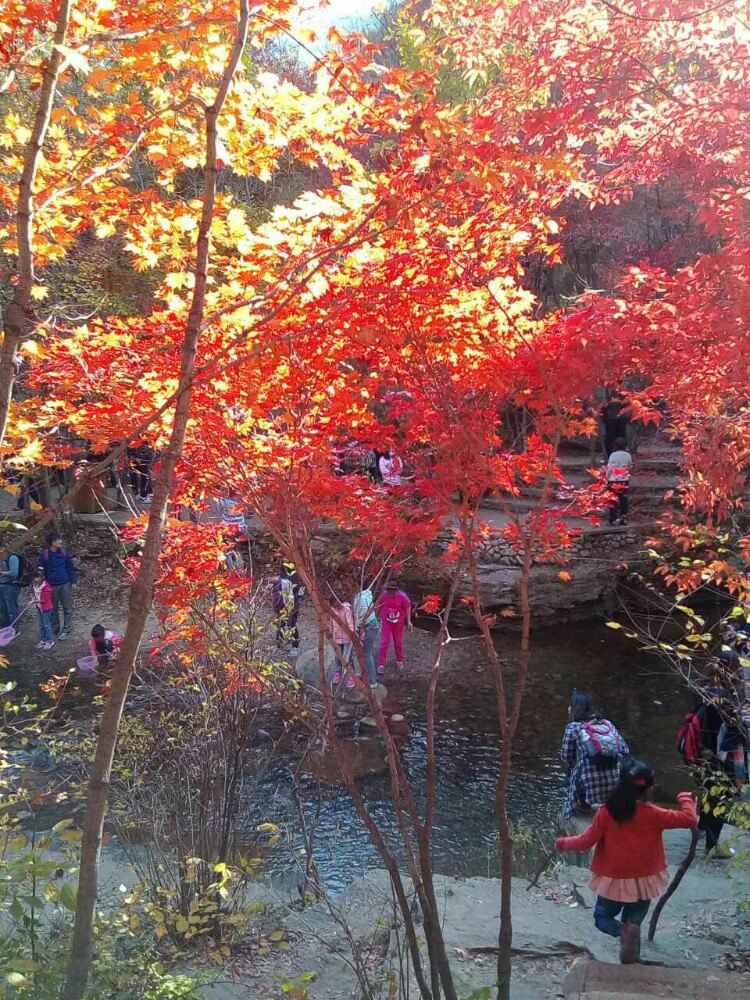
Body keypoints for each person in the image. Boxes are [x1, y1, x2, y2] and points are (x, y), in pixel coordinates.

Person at [556, 761, 697, 964]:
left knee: (602, 918)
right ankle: (632, 955)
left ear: (620, 784)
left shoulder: (607, 812)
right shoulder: (655, 814)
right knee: (634, 922)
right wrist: (685, 799)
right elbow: (689, 819)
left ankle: (622, 932)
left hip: (614, 879)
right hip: (644, 879)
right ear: (648, 788)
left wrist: (561, 843)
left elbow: (585, 841)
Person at [561, 691, 629, 821]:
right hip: (615, 783)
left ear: (576, 709)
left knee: (570, 771)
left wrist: (579, 760)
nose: (568, 708)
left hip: (588, 784)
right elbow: (625, 750)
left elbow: (565, 756)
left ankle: (583, 805)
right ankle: (608, 802)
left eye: (571, 706)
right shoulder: (607, 724)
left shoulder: (573, 727)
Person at [38, 535, 77, 639]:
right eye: (58, 540)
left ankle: (66, 629)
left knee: (67, 607)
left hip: (65, 584)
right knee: (53, 609)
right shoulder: (44, 555)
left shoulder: (64, 553)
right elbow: (40, 571)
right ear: (53, 543)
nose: (61, 541)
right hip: (51, 585)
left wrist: (73, 581)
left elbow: (70, 567)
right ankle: (55, 628)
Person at [377, 579, 411, 674]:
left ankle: (399, 660)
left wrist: (408, 621)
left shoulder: (403, 597)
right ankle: (381, 664)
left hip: (398, 623)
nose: (392, 593)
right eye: (389, 591)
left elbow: (408, 607)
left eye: (393, 591)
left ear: (397, 590)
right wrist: (376, 617)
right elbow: (378, 605)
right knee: (384, 642)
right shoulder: (384, 595)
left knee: (398, 642)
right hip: (386, 622)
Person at [273, 563, 303, 655]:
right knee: (281, 623)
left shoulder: (297, 578)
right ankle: (279, 643)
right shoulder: (286, 573)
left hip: (292, 604)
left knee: (291, 624)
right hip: (282, 604)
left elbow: (300, 592)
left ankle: (295, 646)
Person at [353, 583, 379, 685]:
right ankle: (364, 674)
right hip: (367, 625)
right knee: (361, 652)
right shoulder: (365, 594)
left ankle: (373, 681)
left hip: (369, 626)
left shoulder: (361, 599)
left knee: (367, 654)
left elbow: (360, 618)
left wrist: (355, 629)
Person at [605, 436, 632, 526]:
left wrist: (606, 478)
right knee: (623, 500)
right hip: (624, 480)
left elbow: (610, 468)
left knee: (612, 500)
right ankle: (623, 519)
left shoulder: (613, 455)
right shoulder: (628, 455)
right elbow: (629, 467)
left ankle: (612, 519)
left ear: (615, 446)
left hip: (613, 480)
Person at [330, 594, 355, 688]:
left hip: (347, 638)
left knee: (347, 657)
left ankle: (352, 676)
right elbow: (331, 623)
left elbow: (351, 623)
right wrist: (331, 634)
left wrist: (353, 635)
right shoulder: (332, 609)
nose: (335, 605)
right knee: (338, 656)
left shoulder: (347, 609)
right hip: (337, 637)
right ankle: (338, 672)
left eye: (335, 602)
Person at [0, 545, 23, 636]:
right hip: (1, 586)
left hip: (10, 586)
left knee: (11, 609)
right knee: (3, 609)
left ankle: (15, 630)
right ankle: (5, 629)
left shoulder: (13, 558)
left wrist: (2, 573)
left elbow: (14, 573)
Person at [30, 569, 54, 650]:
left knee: (47, 625)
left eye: (38, 577)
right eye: (35, 577)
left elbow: (44, 600)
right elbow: (35, 594)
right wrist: (34, 598)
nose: (36, 579)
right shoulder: (35, 584)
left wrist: (34, 601)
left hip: (46, 608)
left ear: (42, 577)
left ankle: (49, 641)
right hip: (39, 607)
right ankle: (43, 640)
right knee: (41, 625)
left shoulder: (46, 587)